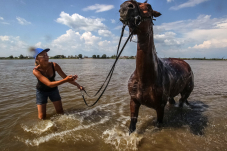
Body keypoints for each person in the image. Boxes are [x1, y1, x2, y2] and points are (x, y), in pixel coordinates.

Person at [32, 48, 83, 119]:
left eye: (47, 55)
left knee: (60, 112)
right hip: (41, 92)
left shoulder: (54, 65)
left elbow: (65, 77)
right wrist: (65, 80)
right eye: (43, 56)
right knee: (42, 117)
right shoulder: (36, 71)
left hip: (53, 90)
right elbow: (49, 84)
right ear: (37, 58)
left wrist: (78, 85)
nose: (47, 57)